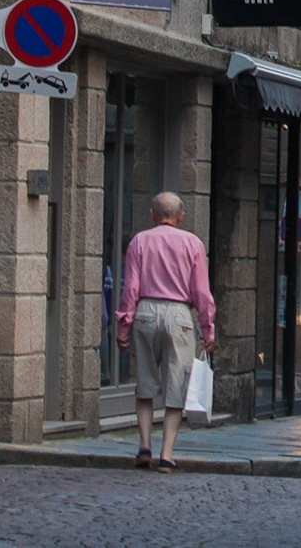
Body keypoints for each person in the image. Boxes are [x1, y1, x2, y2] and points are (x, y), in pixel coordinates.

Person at [116, 192, 215, 473]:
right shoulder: (193, 244)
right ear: (181, 217)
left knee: (144, 384)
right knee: (176, 387)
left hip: (146, 311)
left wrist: (124, 326)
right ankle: (166, 455)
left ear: (152, 215)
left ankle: (144, 445)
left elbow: (130, 288)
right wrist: (208, 329)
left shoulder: (139, 241)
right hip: (180, 315)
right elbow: (202, 293)